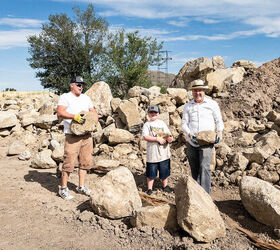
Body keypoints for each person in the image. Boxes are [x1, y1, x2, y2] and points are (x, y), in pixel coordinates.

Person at [57, 76, 98, 200]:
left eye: (82, 85)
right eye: (78, 84)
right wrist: (74, 117)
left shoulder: (86, 98)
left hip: (86, 135)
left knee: (85, 162)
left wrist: (93, 121)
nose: (81, 87)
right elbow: (60, 112)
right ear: (71, 85)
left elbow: (93, 111)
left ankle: (81, 186)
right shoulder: (65, 97)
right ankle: (63, 188)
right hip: (72, 135)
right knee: (69, 162)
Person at [181, 79, 224, 194]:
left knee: (205, 167)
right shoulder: (188, 106)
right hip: (192, 141)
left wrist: (219, 131)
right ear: (192, 92)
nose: (197, 93)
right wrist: (189, 133)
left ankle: (205, 195)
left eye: (200, 90)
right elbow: (184, 123)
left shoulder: (212, 104)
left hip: (206, 142)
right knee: (194, 168)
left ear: (204, 91)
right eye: (195, 91)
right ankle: (196, 193)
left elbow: (218, 120)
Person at [142, 105, 173, 195]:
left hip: (164, 152)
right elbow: (145, 136)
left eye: (155, 112)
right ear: (148, 114)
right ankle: (150, 189)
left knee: (164, 171)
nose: (153, 114)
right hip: (153, 153)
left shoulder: (162, 123)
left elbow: (168, 134)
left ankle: (165, 186)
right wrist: (156, 139)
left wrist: (170, 138)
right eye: (151, 112)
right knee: (151, 172)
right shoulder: (147, 125)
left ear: (158, 113)